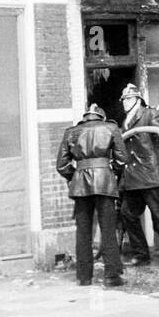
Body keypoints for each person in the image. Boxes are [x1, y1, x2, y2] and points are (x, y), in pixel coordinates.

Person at [56, 96, 128, 287]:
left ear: (86, 116)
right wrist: (111, 174)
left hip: (80, 185)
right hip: (105, 182)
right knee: (108, 230)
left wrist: (76, 176)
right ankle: (112, 275)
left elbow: (62, 165)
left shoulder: (71, 132)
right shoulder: (111, 128)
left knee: (83, 231)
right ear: (101, 117)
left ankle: (84, 276)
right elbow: (122, 159)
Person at [118, 83, 159, 266]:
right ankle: (141, 255)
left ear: (138, 100)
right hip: (133, 178)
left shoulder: (149, 114)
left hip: (150, 177)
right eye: (124, 100)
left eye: (129, 99)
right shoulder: (125, 122)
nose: (125, 103)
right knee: (128, 214)